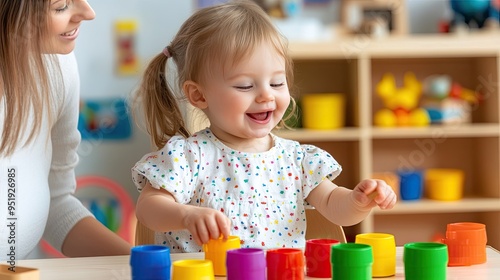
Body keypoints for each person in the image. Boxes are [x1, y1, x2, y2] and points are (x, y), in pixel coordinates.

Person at [132, 0, 397, 253]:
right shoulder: (189, 157)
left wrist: (357, 202)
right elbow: (148, 208)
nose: (266, 96)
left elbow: (334, 206)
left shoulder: (298, 160)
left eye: (277, 83)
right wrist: (185, 215)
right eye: (245, 86)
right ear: (199, 96)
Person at [0, 0, 131, 260]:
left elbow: (56, 204)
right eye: (61, 7)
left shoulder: (57, 67)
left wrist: (144, 265)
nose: (88, 13)